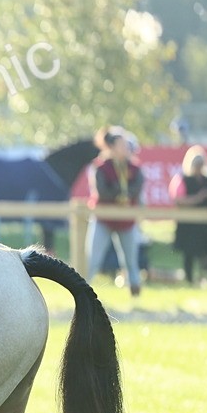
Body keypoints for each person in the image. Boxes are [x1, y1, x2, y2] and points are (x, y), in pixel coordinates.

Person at [86, 125, 144, 296]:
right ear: (111, 147)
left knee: (131, 261)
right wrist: (120, 192)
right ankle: (81, 293)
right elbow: (102, 192)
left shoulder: (134, 168)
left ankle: (136, 297)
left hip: (126, 221)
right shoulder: (100, 167)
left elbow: (136, 188)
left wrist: (120, 192)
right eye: (122, 144)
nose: (126, 148)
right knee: (92, 260)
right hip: (103, 218)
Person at [169, 145, 207, 284]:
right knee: (189, 252)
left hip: (206, 222)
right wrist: (198, 198)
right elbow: (178, 200)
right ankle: (189, 279)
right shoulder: (182, 178)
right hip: (189, 223)